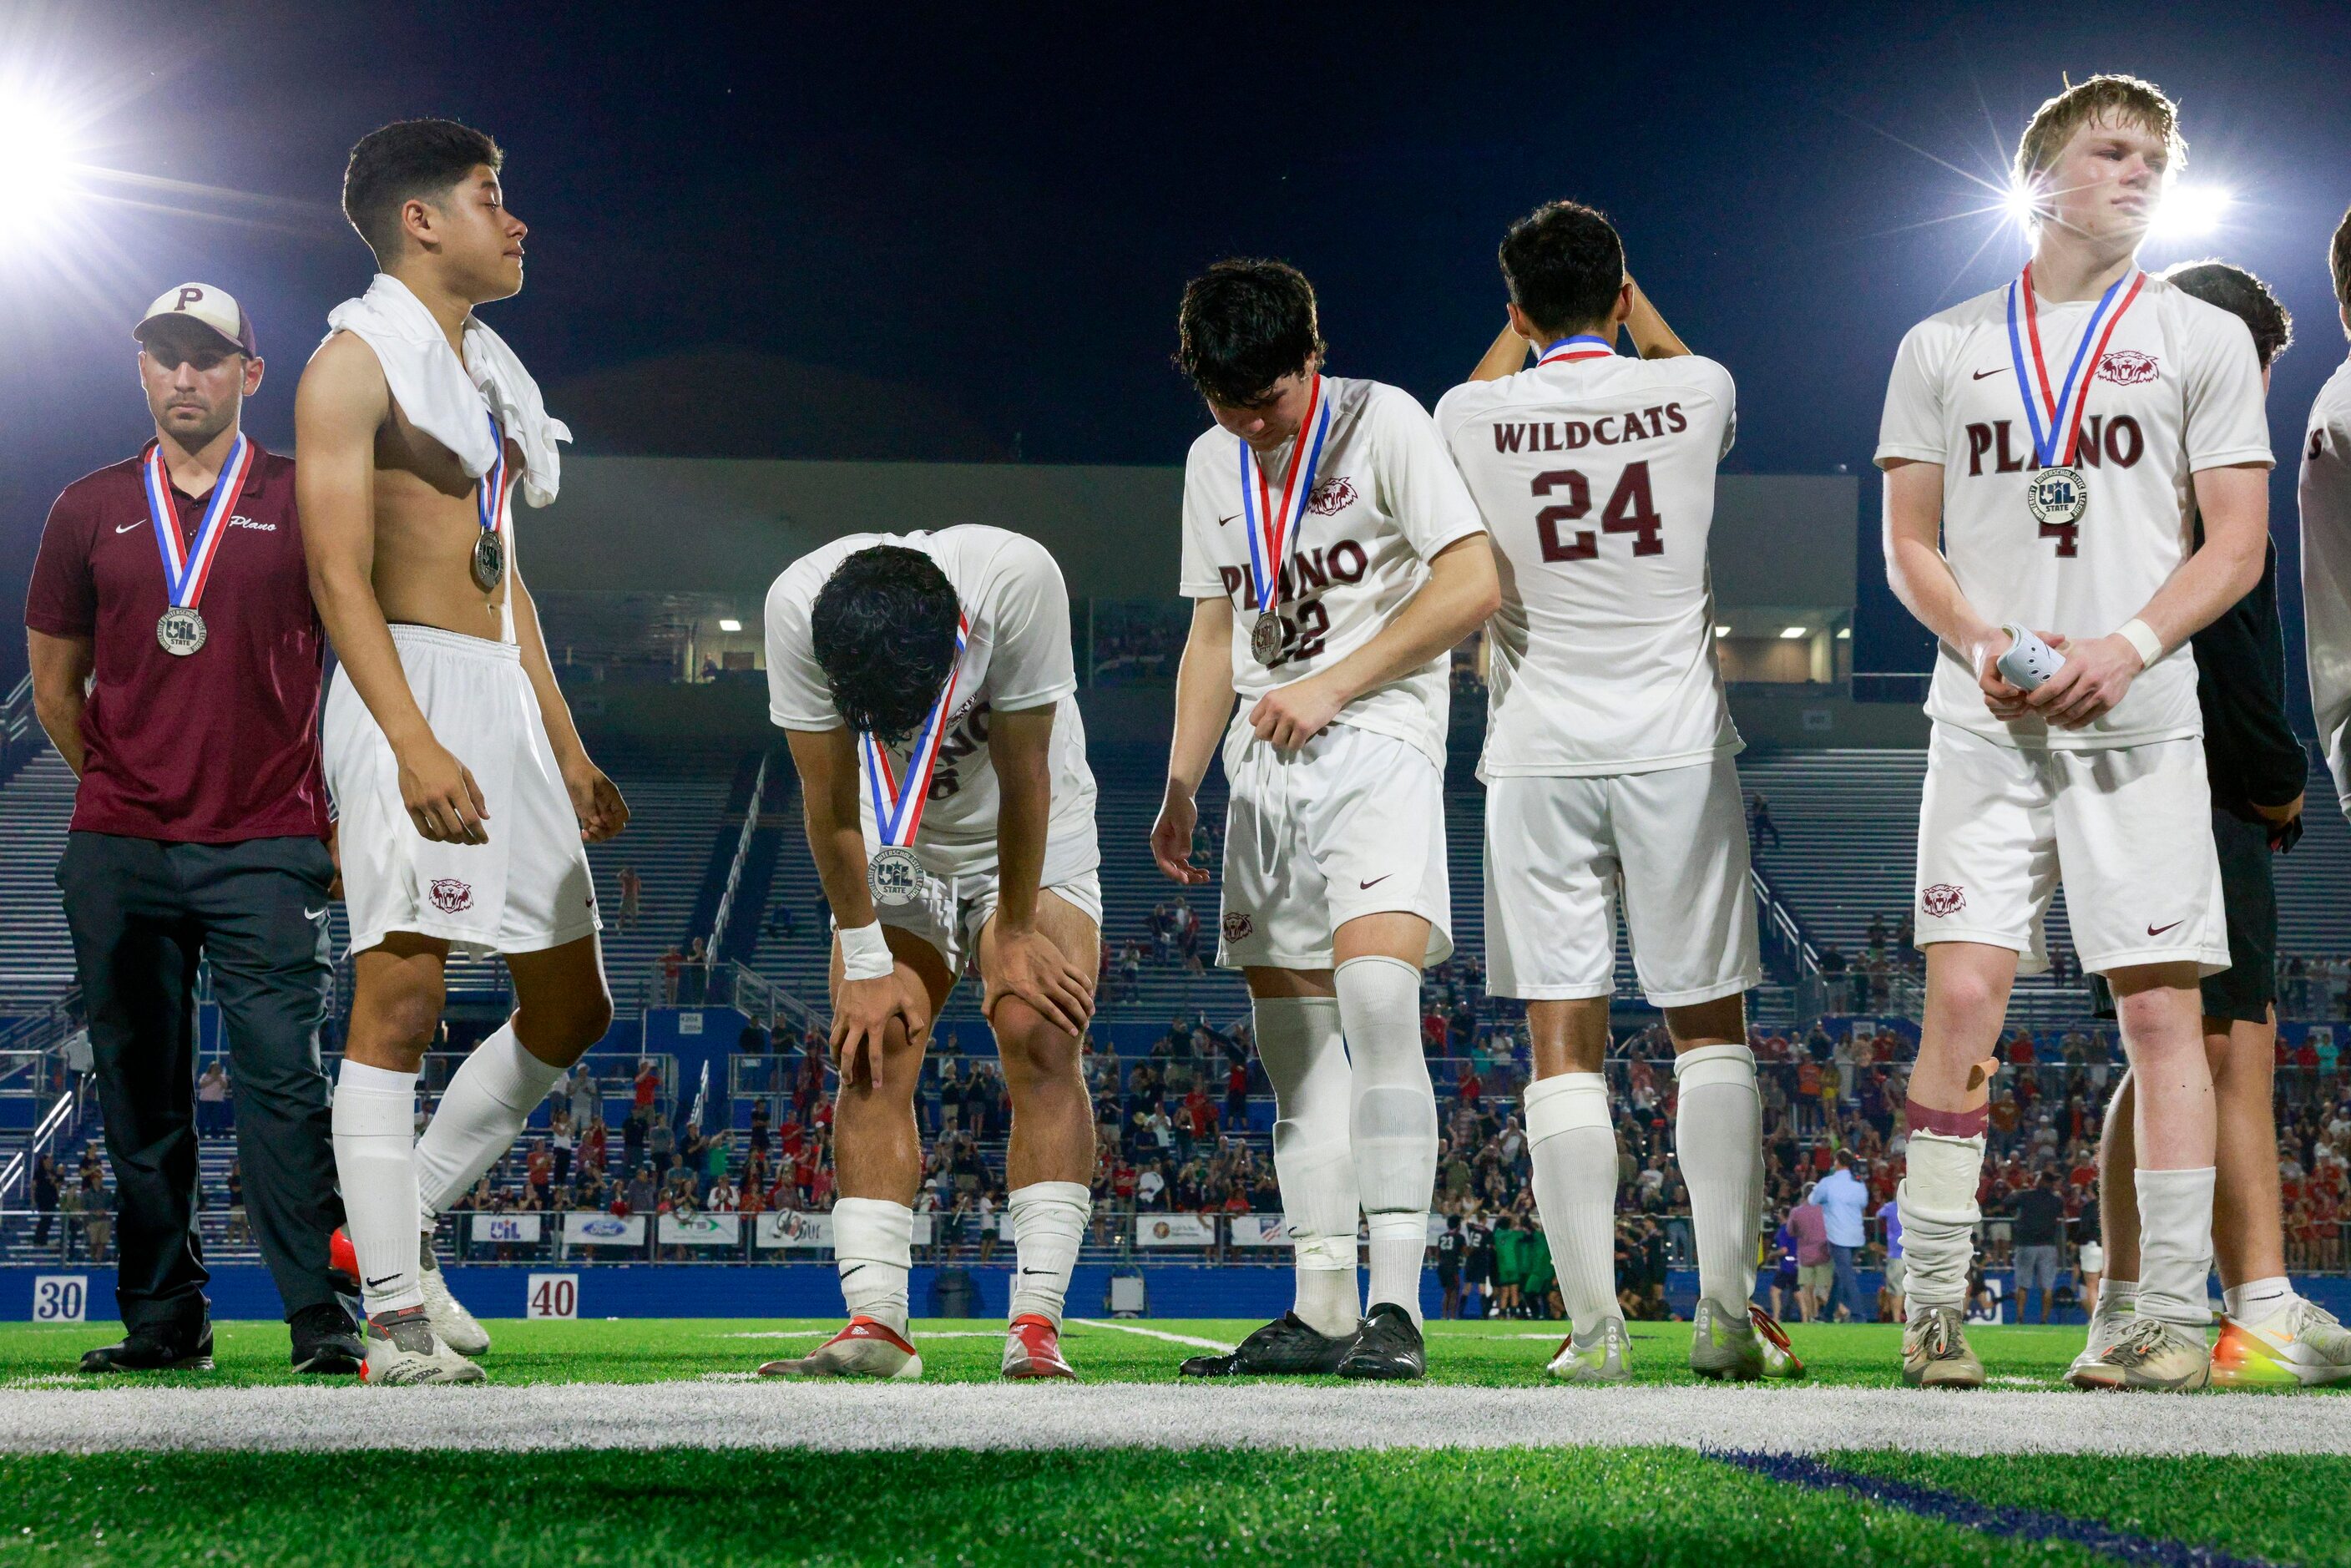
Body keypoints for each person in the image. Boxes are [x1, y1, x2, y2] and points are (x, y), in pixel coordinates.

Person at [1877, 75, 2271, 1390]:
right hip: (1984, 725)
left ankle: (2163, 1313)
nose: (2140, 171)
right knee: (1961, 1002)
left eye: (2157, 157)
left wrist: (2128, 646)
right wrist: (1983, 644)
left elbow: (2237, 543)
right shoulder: (1940, 344)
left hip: (2141, 720)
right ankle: (1934, 1306)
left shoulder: (2200, 337)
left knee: (2163, 1018)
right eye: (2112, 151)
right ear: (2041, 175)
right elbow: (1910, 546)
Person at [1436, 200, 1797, 1385]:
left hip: (1538, 751)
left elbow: (1468, 405)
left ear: (1519, 308)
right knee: (1711, 1030)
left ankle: (1595, 1332)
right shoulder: (1695, 390)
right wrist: (1632, 311)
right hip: (1678, 746)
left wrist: (1519, 335)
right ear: (1626, 292)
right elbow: (1685, 367)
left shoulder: (1475, 411)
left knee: (1560, 1040)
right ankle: (1726, 1316)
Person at [299, 120, 629, 1383]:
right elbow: (335, 573)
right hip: (409, 683)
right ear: (422, 220)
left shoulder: (488, 372)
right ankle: (390, 1316)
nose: (519, 219)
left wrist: (566, 737)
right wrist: (411, 737)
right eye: (495, 197)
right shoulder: (349, 362)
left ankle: (401, 1219)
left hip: (495, 685)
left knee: (574, 999)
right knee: (403, 994)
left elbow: (508, 581)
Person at [1153, 259, 1499, 1382]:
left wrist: (1339, 682)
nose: (1251, 423)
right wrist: (1182, 779)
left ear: (1315, 353)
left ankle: (1396, 1301)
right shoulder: (1213, 460)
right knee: (1294, 1048)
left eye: (1269, 399)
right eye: (1228, 402)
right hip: (1265, 759)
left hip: (1380, 733)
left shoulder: (1385, 420)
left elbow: (1471, 582)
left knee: (1378, 993)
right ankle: (1322, 1303)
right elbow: (1216, 634)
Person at [27, 282, 361, 1376]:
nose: (185, 375)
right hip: (122, 843)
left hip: (267, 839)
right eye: (166, 356)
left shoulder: (306, 494)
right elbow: (52, 689)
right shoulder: (85, 507)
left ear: (249, 375)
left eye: (208, 357)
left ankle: (321, 1320)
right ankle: (165, 1320)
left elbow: (357, 664)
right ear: (141, 372)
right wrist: (128, 789)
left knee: (281, 1083)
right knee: (138, 1093)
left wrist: (340, 815)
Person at [2085, 258, 2351, 1385]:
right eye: (2262, 367)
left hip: (2119, 774)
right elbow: (2234, 653)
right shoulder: (2207, 465)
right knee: (2229, 1044)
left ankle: (2125, 1299)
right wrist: (2281, 776)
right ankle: (2258, 1303)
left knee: (2161, 1048)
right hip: (2205, 782)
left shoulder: (2110, 457)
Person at [756, 525, 1100, 1383]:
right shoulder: (795, 610)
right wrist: (866, 961)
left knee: (1039, 1032)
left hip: (1029, 829)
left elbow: (1025, 775)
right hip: (894, 839)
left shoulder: (1019, 578)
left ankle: (1036, 1325)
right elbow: (831, 810)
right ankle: (876, 1324)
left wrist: (1013, 930)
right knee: (874, 1048)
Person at [1813, 1150, 1870, 1323]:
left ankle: (1859, 1315)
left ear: (1837, 1162)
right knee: (1839, 1275)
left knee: (1846, 1276)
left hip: (1839, 1236)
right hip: (1856, 1236)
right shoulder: (1858, 1183)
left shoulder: (1829, 1182)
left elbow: (1813, 1199)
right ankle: (1828, 1314)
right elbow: (1863, 1203)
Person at [2009, 1166, 2067, 1323]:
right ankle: (2044, 1320)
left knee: (2022, 1284)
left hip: (2027, 1244)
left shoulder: (2026, 1196)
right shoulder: (2056, 1201)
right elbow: (2061, 1213)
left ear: (2039, 1180)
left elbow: (2008, 1204)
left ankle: (2020, 1318)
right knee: (2047, 1287)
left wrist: (2020, 1189)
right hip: (2048, 1245)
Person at [1789, 1186, 1830, 1323]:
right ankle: (1837, 1312)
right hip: (1824, 1253)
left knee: (1807, 1288)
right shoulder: (1825, 1209)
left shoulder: (1796, 1212)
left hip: (1805, 1254)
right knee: (1823, 1287)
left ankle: (1813, 1316)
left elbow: (1791, 1231)